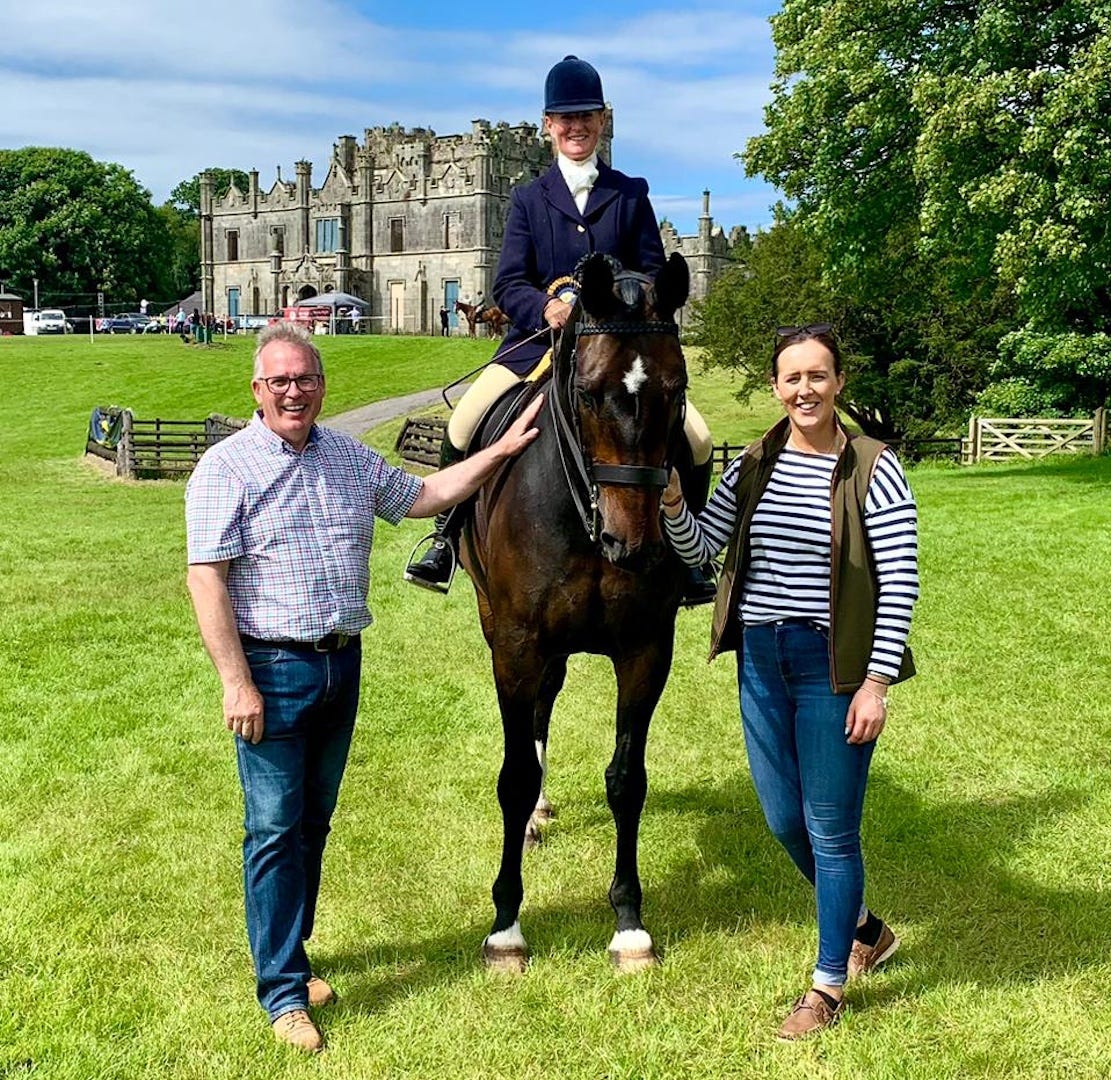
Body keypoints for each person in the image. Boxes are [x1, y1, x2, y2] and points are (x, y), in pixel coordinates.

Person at [185, 321, 542, 1054]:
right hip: (271, 672)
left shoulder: (348, 458)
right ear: (256, 389)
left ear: (322, 386)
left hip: (340, 664)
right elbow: (206, 577)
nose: (294, 390)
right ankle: (283, 991)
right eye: (279, 380)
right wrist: (235, 683)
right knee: (274, 831)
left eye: (305, 379)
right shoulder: (227, 467)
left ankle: (294, 953)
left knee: (312, 824)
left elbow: (424, 494)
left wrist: (500, 452)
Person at [661, 323, 919, 1039]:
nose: (803, 388)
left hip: (829, 667)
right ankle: (867, 928)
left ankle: (825, 987)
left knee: (830, 831)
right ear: (774, 387)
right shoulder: (753, 461)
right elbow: (705, 550)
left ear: (837, 382)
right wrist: (676, 510)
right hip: (759, 661)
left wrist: (875, 683)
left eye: (817, 375)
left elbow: (898, 581)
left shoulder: (871, 466)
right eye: (790, 377)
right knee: (781, 821)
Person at [405, 55, 715, 602]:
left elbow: (648, 269)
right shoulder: (527, 199)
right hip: (536, 350)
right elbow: (508, 283)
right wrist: (547, 307)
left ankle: (686, 558)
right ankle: (446, 539)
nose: (576, 127)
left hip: (616, 353)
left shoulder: (630, 194)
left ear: (603, 122)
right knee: (464, 423)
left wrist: (612, 296)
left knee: (697, 438)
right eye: (564, 118)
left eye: (586, 116)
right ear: (548, 125)